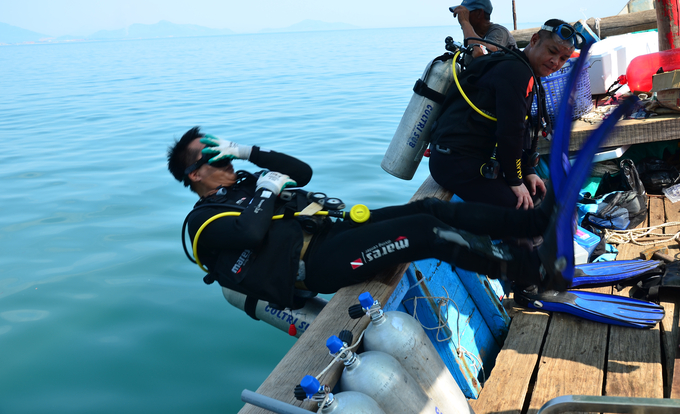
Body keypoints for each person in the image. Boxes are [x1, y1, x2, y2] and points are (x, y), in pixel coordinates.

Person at [167, 127, 559, 309]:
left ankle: (529, 225)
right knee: (424, 232)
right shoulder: (202, 222)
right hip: (317, 264)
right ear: (195, 175)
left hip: (334, 230)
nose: (224, 160)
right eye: (213, 157)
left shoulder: (244, 183)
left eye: (223, 151)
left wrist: (245, 150)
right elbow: (250, 232)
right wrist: (267, 190)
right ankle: (531, 270)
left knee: (428, 208)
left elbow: (301, 173)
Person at [428, 19, 584, 210]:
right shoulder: (516, 72)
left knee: (540, 194)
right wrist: (515, 180)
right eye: (552, 51)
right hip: (454, 162)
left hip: (471, 157)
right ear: (534, 40)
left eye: (563, 58)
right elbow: (510, 132)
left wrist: (528, 171)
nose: (555, 62)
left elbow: (523, 126)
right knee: (522, 208)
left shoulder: (523, 69)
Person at [450, 0, 517, 59]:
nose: (461, 18)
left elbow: (479, 53)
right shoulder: (472, 36)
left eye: (465, 13)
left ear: (479, 13)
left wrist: (465, 23)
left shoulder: (500, 32)